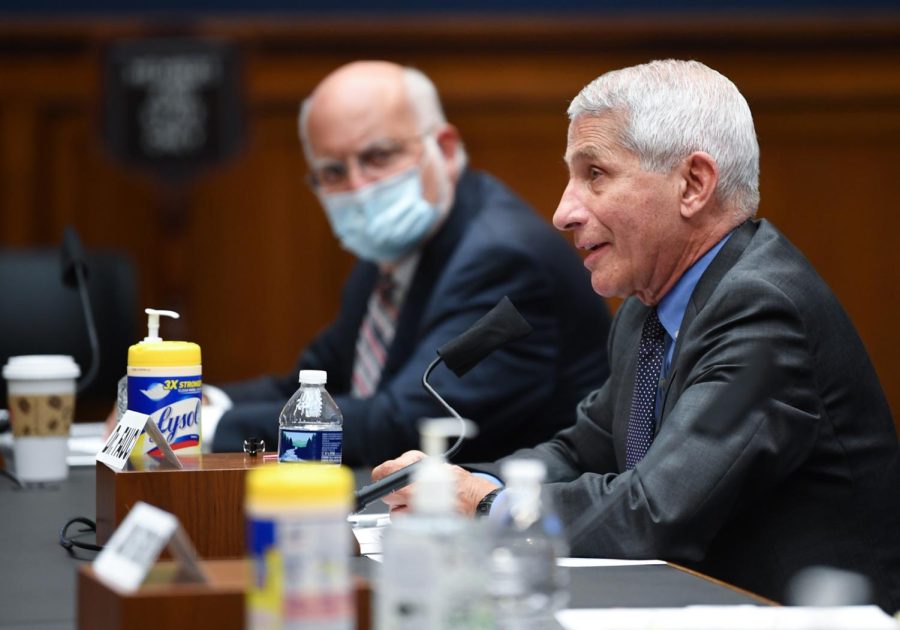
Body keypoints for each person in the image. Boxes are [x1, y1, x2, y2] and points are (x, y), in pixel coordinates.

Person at [373, 59, 900, 610]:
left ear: (693, 185)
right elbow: (583, 453)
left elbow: (655, 512)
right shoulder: (647, 309)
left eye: (594, 173)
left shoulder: (766, 317)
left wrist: (484, 502)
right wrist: (452, 485)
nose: (561, 211)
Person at [208, 61, 613, 466]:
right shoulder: (391, 253)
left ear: (447, 149)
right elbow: (314, 385)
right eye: (332, 171)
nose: (359, 188)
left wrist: (217, 428)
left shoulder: (504, 258)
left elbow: (406, 424)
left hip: (517, 516)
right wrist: (201, 404)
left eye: (379, 156)